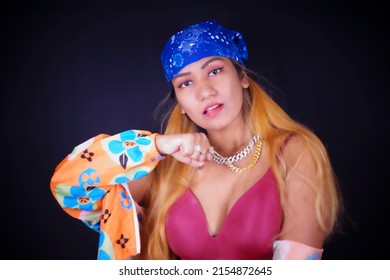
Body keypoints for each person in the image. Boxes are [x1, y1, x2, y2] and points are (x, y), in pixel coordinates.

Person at [50, 20, 341, 260]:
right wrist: (156, 145)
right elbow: (69, 185)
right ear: (179, 101)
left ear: (242, 77)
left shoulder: (295, 151)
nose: (205, 92)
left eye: (215, 71)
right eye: (186, 83)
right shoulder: (163, 168)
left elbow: (298, 267)